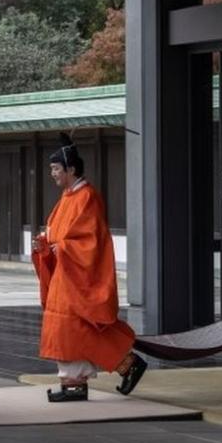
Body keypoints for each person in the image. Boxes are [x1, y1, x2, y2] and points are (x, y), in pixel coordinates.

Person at [32, 133, 147, 402]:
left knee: (75, 328)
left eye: (56, 168)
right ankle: (120, 366)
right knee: (73, 328)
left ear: (71, 169)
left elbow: (90, 240)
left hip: (78, 275)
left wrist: (64, 248)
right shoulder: (68, 197)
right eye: (52, 169)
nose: (53, 174)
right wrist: (45, 244)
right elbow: (57, 233)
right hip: (66, 275)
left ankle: (82, 380)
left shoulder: (87, 196)